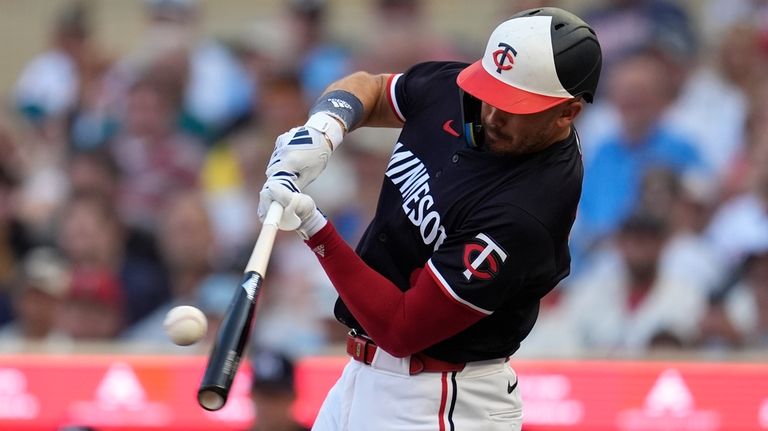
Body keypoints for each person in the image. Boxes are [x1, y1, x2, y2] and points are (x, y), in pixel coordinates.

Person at [257, 7, 601, 430]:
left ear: (567, 112)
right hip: (361, 377)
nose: (491, 115)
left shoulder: (528, 209)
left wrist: (315, 228)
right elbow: (374, 89)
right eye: (490, 92)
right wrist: (327, 126)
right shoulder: (465, 92)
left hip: (439, 398)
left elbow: (402, 329)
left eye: (515, 106)